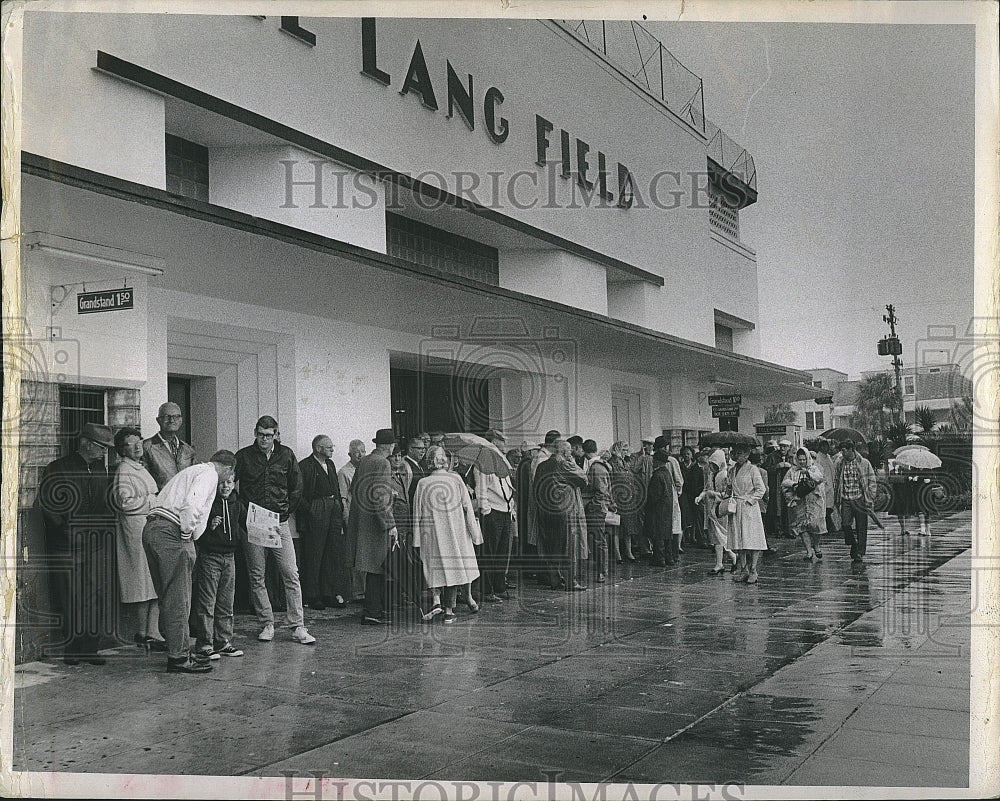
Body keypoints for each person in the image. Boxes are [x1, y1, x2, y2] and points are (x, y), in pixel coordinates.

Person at [142, 450, 236, 673]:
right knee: (179, 598)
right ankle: (179, 657)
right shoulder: (210, 474)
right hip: (171, 531)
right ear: (229, 469)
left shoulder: (191, 471)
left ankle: (176, 647)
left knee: (168, 595)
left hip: (152, 528)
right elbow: (192, 506)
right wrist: (186, 535)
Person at [37, 422, 116, 665]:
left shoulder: (101, 470)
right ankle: (72, 649)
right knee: (69, 596)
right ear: (88, 444)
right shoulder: (58, 468)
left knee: (94, 596)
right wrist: (65, 531)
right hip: (66, 545)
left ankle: (90, 649)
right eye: (103, 447)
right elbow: (48, 506)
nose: (105, 452)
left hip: (95, 545)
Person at [235, 415, 315, 644]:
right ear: (255, 433)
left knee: (291, 572)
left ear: (276, 435)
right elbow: (230, 483)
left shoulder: (286, 454)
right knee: (257, 574)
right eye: (261, 435)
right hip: (254, 520)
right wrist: (243, 512)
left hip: (278, 521)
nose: (264, 439)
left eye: (269, 435)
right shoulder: (244, 456)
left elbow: (297, 486)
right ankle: (266, 623)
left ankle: (298, 626)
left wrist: (286, 511)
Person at [412, 445, 484, 623]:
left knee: (435, 566)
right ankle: (449, 610)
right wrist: (474, 533)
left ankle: (437, 600)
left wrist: (416, 539)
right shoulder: (456, 479)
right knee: (456, 566)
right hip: (456, 532)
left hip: (432, 534)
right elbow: (468, 507)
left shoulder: (423, 483)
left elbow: (416, 513)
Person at [110, 427, 164, 651]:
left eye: (139, 441)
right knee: (141, 581)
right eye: (131, 443)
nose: (137, 446)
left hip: (147, 527)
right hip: (135, 530)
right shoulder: (124, 470)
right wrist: (153, 501)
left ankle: (152, 630)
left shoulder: (139, 468)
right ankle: (143, 631)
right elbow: (124, 503)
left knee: (152, 580)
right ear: (122, 449)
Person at [347, 428, 400, 625]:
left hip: (363, 519)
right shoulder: (383, 463)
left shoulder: (366, 461)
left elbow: (355, 488)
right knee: (379, 568)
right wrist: (390, 524)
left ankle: (373, 610)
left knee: (372, 568)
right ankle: (373, 612)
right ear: (389, 446)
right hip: (377, 523)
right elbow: (380, 498)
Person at [191, 472, 245, 661]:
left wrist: (270, 528)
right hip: (210, 557)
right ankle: (204, 645)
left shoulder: (237, 504)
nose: (226, 486)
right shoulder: (208, 504)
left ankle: (223, 642)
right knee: (207, 603)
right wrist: (209, 527)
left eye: (230, 482)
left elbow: (249, 524)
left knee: (226, 603)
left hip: (230, 557)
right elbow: (197, 532)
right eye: (222, 483)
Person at [298, 435, 349, 610]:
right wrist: (311, 510)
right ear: (318, 448)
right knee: (315, 553)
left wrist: (339, 506)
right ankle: (313, 595)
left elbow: (335, 486)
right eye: (329, 447)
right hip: (317, 508)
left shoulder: (331, 464)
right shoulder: (305, 466)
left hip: (333, 507)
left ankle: (328, 593)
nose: (332, 450)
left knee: (331, 552)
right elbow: (298, 493)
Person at [533, 439, 589, 591]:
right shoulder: (564, 464)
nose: (571, 453)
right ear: (565, 452)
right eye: (569, 451)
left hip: (545, 512)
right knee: (568, 548)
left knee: (551, 547)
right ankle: (571, 582)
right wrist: (573, 462)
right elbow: (583, 480)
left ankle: (555, 580)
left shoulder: (541, 466)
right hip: (564, 511)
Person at [474, 431, 515, 602]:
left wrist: (511, 509)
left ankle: (499, 586)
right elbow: (481, 489)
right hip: (492, 512)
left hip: (505, 510)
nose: (504, 447)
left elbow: (507, 487)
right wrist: (486, 510)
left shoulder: (501, 463)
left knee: (502, 552)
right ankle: (487, 589)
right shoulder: (483, 463)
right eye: (500, 443)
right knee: (489, 553)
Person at [727, 444, 769, 584]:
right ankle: (743, 569)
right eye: (735, 453)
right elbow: (729, 489)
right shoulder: (732, 470)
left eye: (740, 453)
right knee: (739, 540)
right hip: (737, 507)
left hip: (749, 508)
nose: (736, 456)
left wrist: (750, 500)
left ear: (746, 455)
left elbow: (761, 489)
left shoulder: (752, 469)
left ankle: (753, 570)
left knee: (752, 539)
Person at [833, 438, 878, 564]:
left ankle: (859, 553)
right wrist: (837, 496)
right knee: (845, 525)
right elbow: (836, 479)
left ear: (851, 449)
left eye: (844, 451)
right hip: (846, 498)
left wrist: (870, 496)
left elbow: (871, 480)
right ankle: (853, 543)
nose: (842, 453)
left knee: (861, 527)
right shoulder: (840, 463)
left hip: (860, 498)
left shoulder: (863, 463)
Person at [782, 447, 827, 562]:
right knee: (802, 527)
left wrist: (808, 473)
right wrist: (794, 485)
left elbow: (820, 478)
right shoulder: (792, 470)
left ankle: (816, 545)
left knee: (816, 525)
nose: (802, 462)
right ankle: (808, 551)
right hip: (800, 502)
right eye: (800, 459)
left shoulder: (814, 468)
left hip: (813, 502)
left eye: (803, 459)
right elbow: (784, 482)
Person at [142, 402, 197, 491]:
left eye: (176, 416)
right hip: (160, 502)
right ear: (158, 420)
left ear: (181, 420)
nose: (172, 420)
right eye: (167, 416)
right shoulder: (146, 447)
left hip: (184, 502)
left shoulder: (187, 449)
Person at [701, 448, 738, 575]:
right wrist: (701, 496)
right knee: (716, 536)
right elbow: (706, 488)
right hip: (712, 508)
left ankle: (723, 561)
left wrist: (713, 494)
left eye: (713, 464)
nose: (711, 466)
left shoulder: (724, 475)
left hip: (721, 509)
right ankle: (724, 560)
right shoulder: (711, 475)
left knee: (719, 535)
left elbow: (726, 493)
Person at [339, 438, 367, 603]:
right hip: (352, 518)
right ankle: (357, 592)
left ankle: (364, 590)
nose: (360, 454)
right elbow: (343, 499)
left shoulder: (366, 469)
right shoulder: (344, 472)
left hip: (365, 519)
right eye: (357, 451)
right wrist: (347, 519)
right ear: (350, 454)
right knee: (354, 556)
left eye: (363, 451)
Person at [582, 440, 612, 582]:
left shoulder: (596, 467)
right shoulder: (599, 465)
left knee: (599, 540)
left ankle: (602, 571)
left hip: (596, 508)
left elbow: (601, 491)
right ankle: (601, 570)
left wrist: (592, 506)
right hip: (597, 507)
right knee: (597, 539)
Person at [608, 440, 641, 562]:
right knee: (616, 527)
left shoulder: (626, 462)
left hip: (629, 499)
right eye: (623, 450)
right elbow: (609, 483)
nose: (625, 452)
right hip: (617, 498)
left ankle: (628, 552)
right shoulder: (612, 463)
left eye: (627, 450)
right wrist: (611, 500)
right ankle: (618, 554)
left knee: (629, 527)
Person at [644, 451, 677, 567]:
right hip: (667, 507)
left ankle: (659, 558)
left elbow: (654, 496)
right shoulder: (666, 473)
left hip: (658, 509)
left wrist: (647, 506)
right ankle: (669, 557)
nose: (652, 462)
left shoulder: (657, 475)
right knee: (666, 533)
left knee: (658, 533)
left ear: (658, 461)